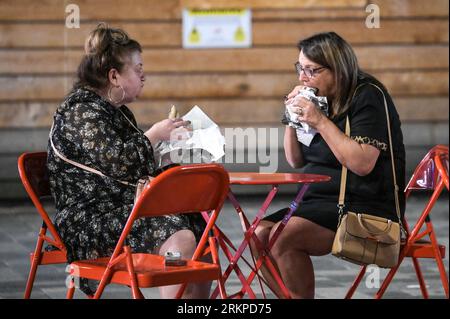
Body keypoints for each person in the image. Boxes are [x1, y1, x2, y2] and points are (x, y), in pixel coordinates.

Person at [47, 23, 209, 298]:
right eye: (138, 70)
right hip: (88, 218)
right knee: (178, 234)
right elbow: (119, 163)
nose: (144, 76)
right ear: (114, 76)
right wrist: (156, 134)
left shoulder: (117, 112)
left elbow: (134, 168)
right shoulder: (81, 111)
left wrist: (166, 148)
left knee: (201, 226)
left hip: (120, 206)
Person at [253, 32, 406, 299]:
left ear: (338, 69)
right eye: (300, 68)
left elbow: (362, 164)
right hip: (319, 199)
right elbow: (295, 160)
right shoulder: (320, 99)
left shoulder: (368, 95)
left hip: (363, 201)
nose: (303, 77)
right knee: (257, 234)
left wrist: (320, 122)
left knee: (282, 236)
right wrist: (292, 117)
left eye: (311, 70)